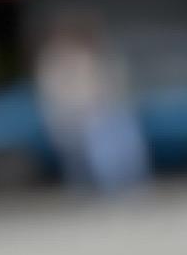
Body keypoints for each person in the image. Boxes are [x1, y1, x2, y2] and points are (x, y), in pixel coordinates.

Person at [35, 16, 149, 194]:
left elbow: (115, 80)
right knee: (86, 155)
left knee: (119, 151)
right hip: (82, 113)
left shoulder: (99, 54)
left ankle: (125, 186)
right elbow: (58, 90)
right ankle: (93, 189)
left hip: (106, 109)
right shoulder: (59, 58)